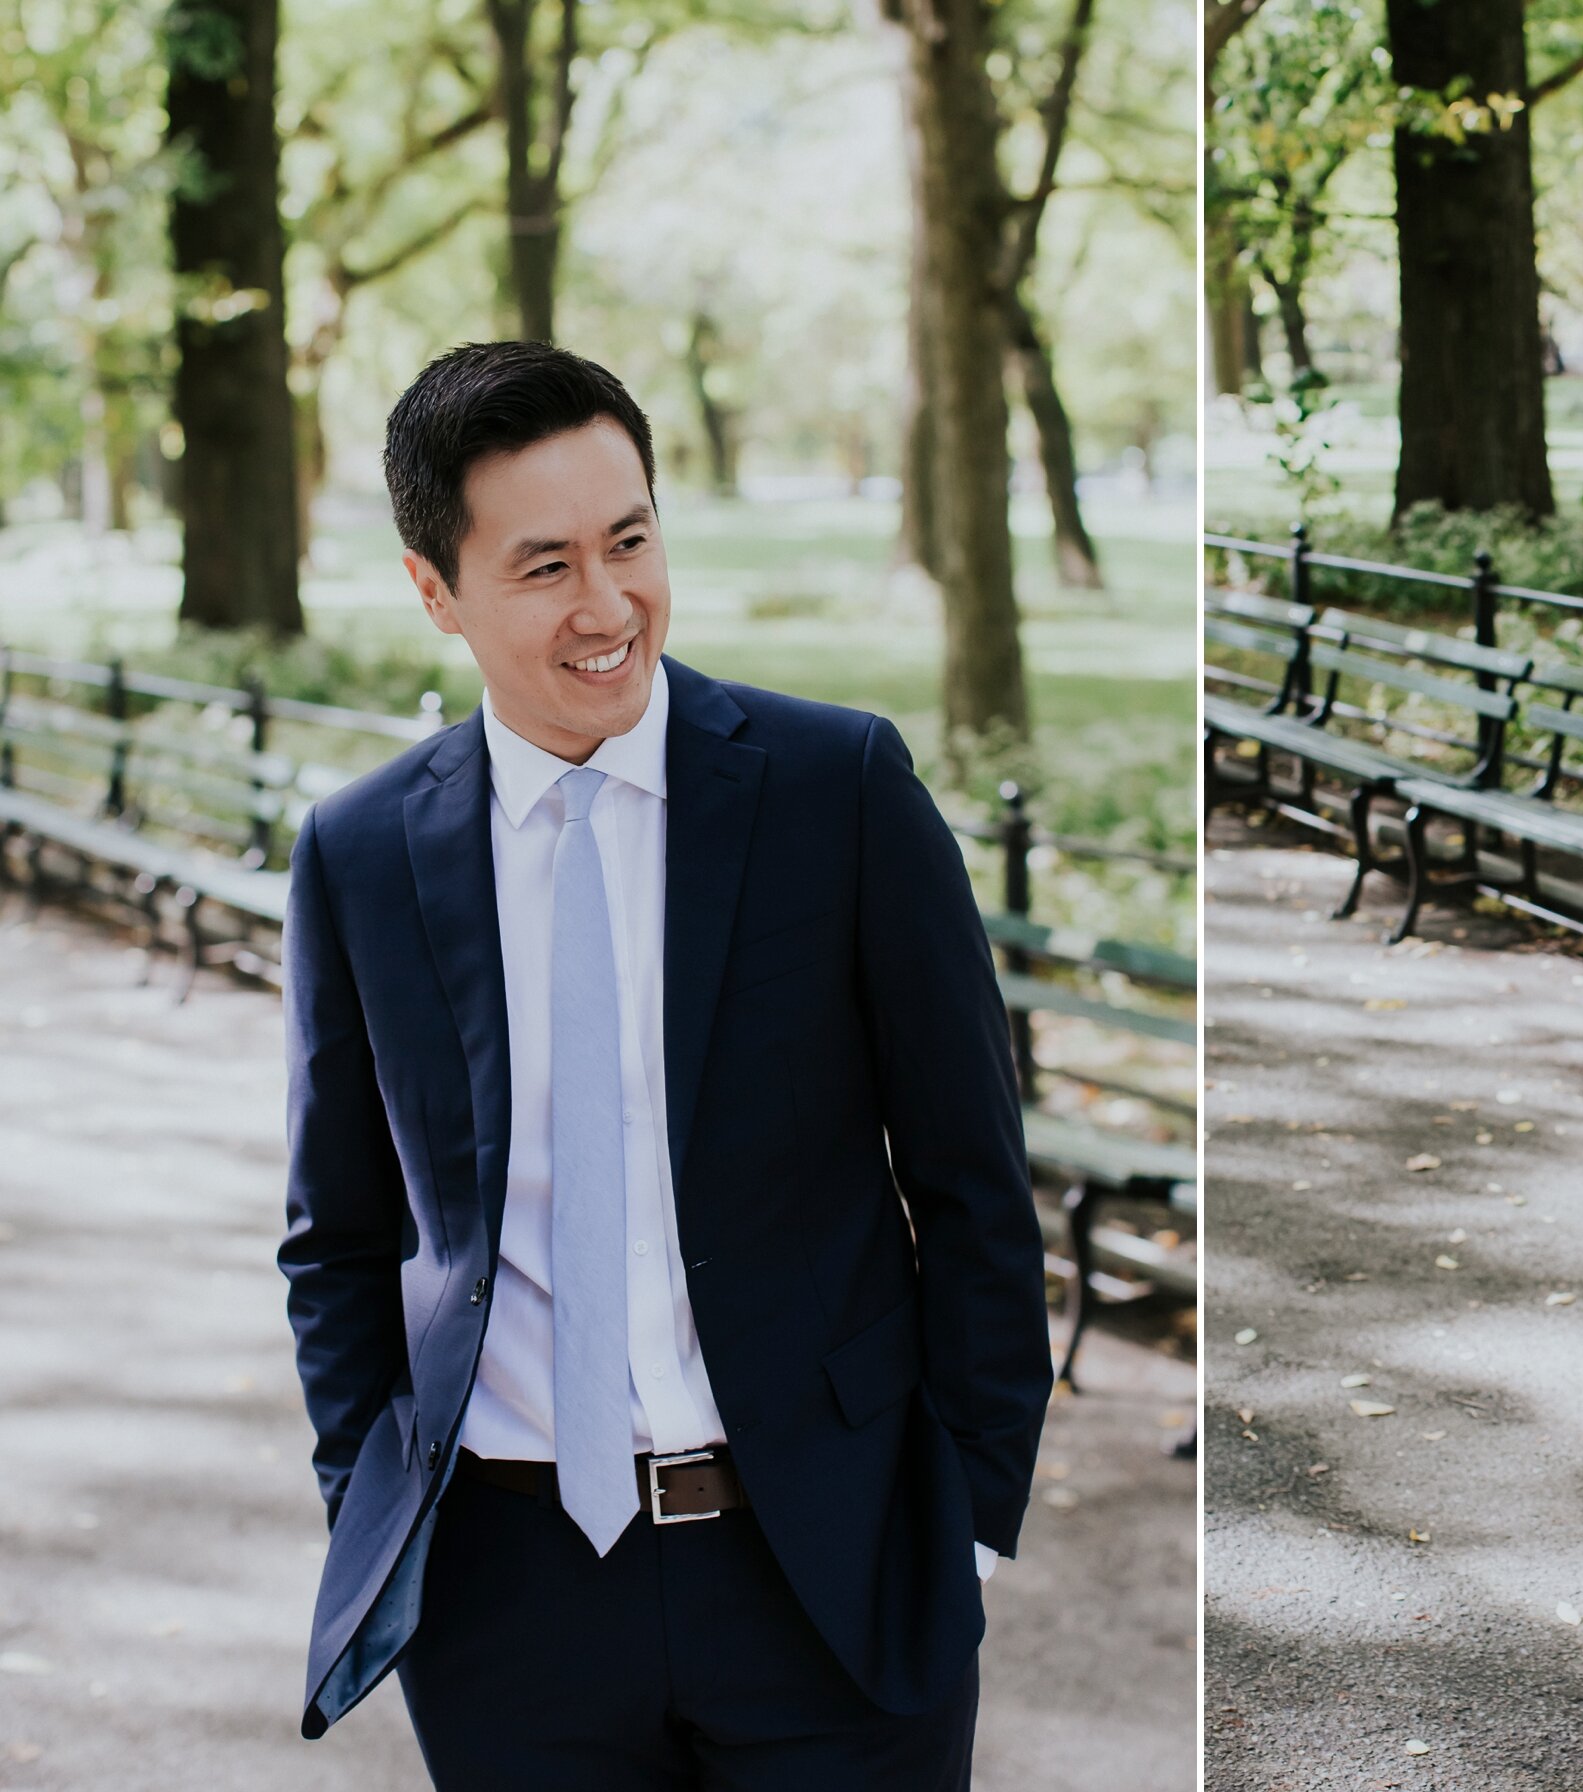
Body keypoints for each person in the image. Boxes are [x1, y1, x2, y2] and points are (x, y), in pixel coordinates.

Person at [277, 340, 1054, 1788]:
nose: (607, 605)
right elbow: (339, 1238)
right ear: (434, 591)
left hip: (828, 1570)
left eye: (630, 540)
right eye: (545, 564)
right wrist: (373, 1511)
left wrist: (965, 1517)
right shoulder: (363, 854)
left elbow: (973, 1182)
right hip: (508, 1599)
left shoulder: (842, 793)